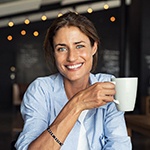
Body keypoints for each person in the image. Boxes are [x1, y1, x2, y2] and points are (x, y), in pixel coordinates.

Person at [15, 11, 132, 150]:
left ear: (93, 47)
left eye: (79, 46)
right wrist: (77, 104)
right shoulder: (40, 90)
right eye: (62, 48)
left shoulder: (108, 85)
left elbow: (119, 145)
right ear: (54, 53)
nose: (71, 57)